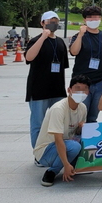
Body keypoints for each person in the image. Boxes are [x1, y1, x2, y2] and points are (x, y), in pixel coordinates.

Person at [33, 75, 90, 187]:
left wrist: (81, 127)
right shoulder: (59, 109)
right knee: (75, 146)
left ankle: (74, 165)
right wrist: (66, 165)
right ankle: (52, 171)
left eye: (85, 89)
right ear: (69, 90)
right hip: (47, 150)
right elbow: (58, 139)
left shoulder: (82, 107)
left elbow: (76, 132)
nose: (81, 92)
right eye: (77, 88)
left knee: (86, 141)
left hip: (67, 143)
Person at [25, 10, 70, 150]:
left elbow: (63, 66)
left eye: (56, 22)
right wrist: (42, 38)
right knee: (38, 123)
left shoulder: (60, 42)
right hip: (39, 90)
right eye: (50, 22)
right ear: (42, 23)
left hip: (57, 89)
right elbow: (29, 57)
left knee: (60, 122)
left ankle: (58, 151)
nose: (53, 24)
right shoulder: (35, 40)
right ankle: (38, 153)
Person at [69, 6, 102, 123]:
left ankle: (89, 139)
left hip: (100, 82)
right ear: (84, 20)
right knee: (79, 116)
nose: (93, 20)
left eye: (96, 17)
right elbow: (74, 52)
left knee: (93, 116)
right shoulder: (78, 36)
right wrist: (80, 35)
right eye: (90, 17)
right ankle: (77, 140)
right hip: (82, 83)